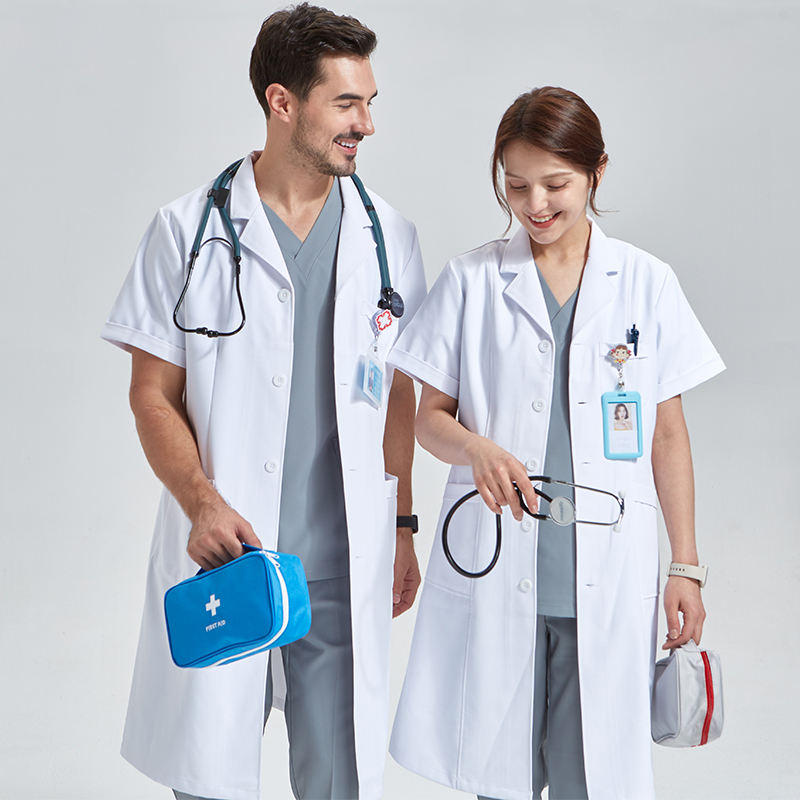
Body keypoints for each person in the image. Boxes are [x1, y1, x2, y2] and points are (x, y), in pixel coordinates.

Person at [101, 5, 426, 799]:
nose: (367, 124)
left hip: (344, 561)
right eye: (346, 104)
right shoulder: (185, 230)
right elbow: (152, 396)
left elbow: (397, 394)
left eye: (369, 103)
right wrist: (202, 503)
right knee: (211, 778)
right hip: (230, 552)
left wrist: (402, 526)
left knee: (340, 782)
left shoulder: (390, 235)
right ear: (283, 102)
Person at [388, 87, 724, 799]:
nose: (534, 204)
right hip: (496, 564)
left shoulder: (646, 283)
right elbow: (429, 419)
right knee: (498, 776)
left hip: (607, 576)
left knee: (588, 781)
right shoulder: (472, 279)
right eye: (516, 185)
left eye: (555, 184)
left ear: (597, 171)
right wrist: (476, 449)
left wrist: (686, 566)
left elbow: (667, 433)